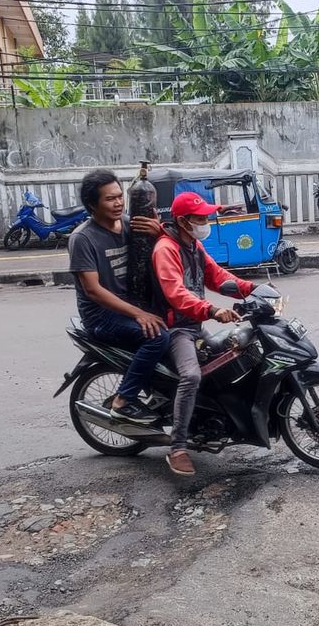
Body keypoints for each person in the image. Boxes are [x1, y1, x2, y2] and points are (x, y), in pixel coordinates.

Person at [153, 192, 255, 477]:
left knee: (231, 354)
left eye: (207, 217)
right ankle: (178, 447)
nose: (206, 222)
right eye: (201, 218)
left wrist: (252, 289)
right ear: (183, 221)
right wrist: (211, 310)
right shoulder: (166, 249)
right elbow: (175, 293)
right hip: (175, 329)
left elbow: (217, 276)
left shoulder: (194, 245)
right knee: (192, 376)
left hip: (194, 324)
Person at [68, 169, 169, 425]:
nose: (118, 203)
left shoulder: (128, 223)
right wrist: (139, 314)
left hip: (130, 305)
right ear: (92, 204)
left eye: (119, 197)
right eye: (109, 199)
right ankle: (123, 401)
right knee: (158, 337)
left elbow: (157, 253)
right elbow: (93, 290)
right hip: (102, 316)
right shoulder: (83, 238)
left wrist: (159, 232)